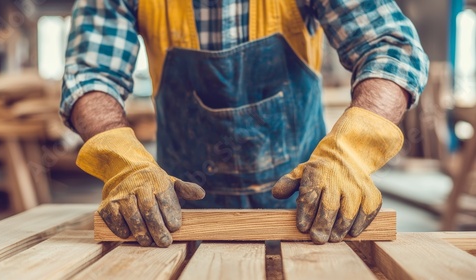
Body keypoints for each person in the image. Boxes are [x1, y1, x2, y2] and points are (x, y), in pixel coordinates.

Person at [61, 0, 429, 247]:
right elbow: (92, 76)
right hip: (173, 217)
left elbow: (392, 47)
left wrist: (352, 153)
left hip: (312, 207)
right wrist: (123, 164)